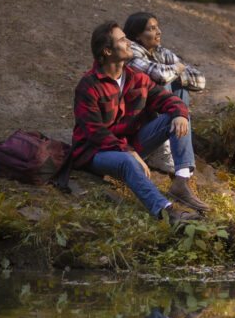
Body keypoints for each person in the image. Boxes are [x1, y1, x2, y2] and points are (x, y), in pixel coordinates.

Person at [72, 21, 210, 221]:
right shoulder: (88, 86)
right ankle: (168, 213)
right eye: (122, 39)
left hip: (132, 147)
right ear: (108, 51)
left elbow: (167, 100)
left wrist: (180, 113)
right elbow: (95, 133)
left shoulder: (136, 78)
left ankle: (181, 180)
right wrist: (128, 151)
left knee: (176, 114)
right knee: (128, 160)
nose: (129, 42)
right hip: (95, 152)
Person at [123, 12, 205, 172]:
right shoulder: (130, 52)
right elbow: (161, 76)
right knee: (163, 83)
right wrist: (176, 69)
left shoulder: (161, 52)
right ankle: (163, 150)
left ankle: (180, 162)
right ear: (138, 36)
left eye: (157, 27)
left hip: (157, 120)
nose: (159, 32)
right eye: (152, 29)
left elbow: (200, 80)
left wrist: (175, 74)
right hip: (139, 131)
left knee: (181, 87)